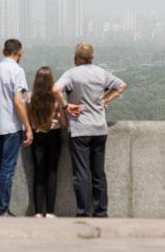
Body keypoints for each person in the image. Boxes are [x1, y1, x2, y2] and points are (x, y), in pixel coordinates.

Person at [53, 43, 127, 218]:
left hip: (80, 128)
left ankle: (84, 211)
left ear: (75, 58)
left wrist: (65, 105)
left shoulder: (71, 74)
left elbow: (55, 89)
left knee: (82, 173)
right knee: (98, 172)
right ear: (92, 58)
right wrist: (105, 99)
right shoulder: (101, 73)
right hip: (99, 129)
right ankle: (101, 211)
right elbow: (122, 85)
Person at [0, 38, 34, 217]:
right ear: (19, 53)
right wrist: (27, 127)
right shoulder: (17, 71)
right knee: (7, 170)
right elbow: (18, 102)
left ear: (3, 51)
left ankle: (0, 207)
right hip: (12, 127)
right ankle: (1, 210)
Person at [27, 66, 67, 218]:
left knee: (38, 173)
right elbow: (63, 123)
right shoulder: (57, 97)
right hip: (54, 134)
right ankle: (50, 211)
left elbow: (29, 120)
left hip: (37, 135)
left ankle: (37, 212)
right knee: (52, 172)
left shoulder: (30, 97)